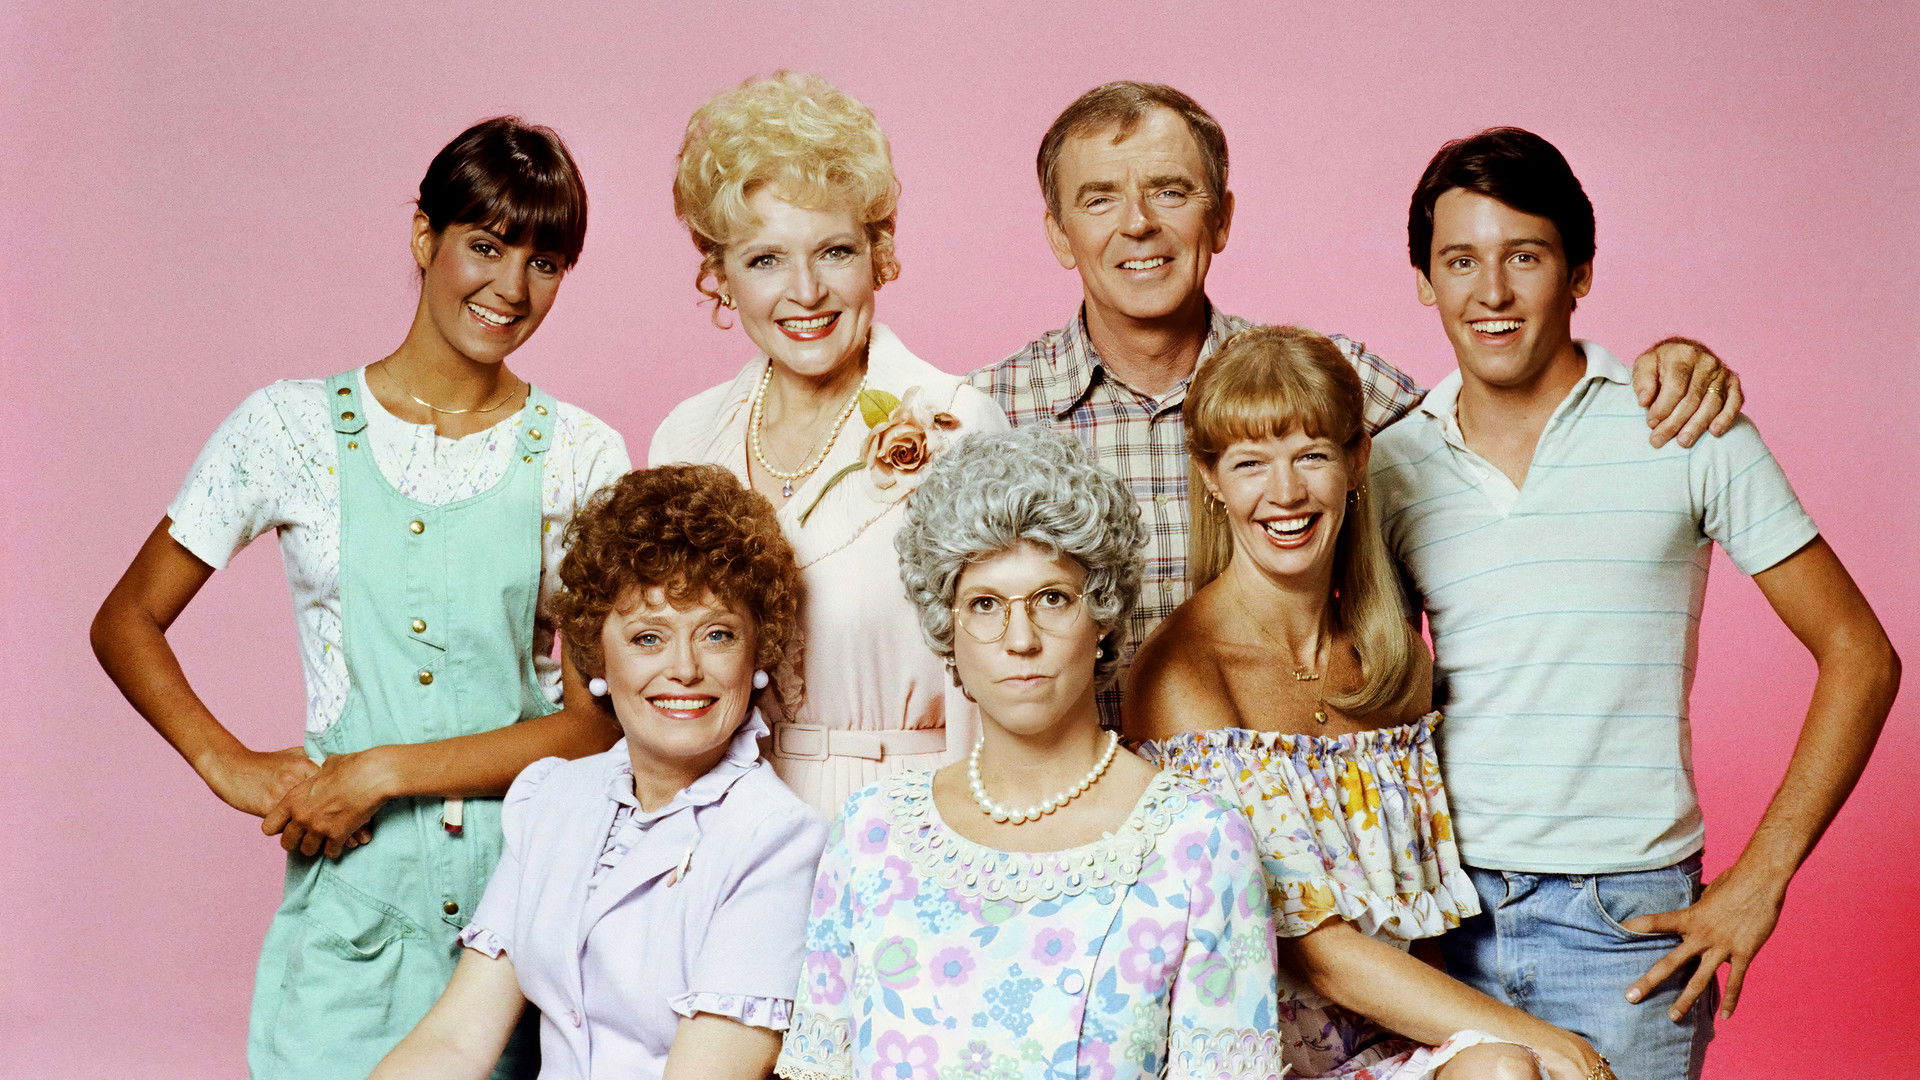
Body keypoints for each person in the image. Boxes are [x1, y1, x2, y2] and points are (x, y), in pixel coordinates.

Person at [89, 118, 629, 1079]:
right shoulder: (289, 428)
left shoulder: (583, 454)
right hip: (350, 906)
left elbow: (593, 727)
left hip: (520, 911)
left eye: (544, 262)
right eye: (486, 245)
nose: (511, 288)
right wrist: (228, 765)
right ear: (424, 236)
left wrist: (378, 772)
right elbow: (126, 619)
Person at [1371, 127, 1901, 1080]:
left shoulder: (1685, 425)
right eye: (1460, 261)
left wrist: (1763, 877)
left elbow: (1860, 654)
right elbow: (1364, 688)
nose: (1491, 293)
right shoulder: (1390, 465)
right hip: (1440, 921)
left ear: (1579, 272)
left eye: (1524, 257)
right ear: (1424, 281)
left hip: (1626, 927)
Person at [968, 81, 1745, 724]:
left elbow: (1510, 443)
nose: (1138, 223)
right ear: (1059, 234)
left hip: (1318, 826)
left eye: (1171, 191)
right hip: (1069, 836)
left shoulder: (1342, 388)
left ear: (1222, 218)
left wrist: (1663, 370)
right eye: (1100, 199)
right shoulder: (986, 417)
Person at [1130, 325, 1605, 1080]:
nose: (1286, 493)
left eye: (1311, 455)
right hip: (1248, 1058)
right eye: (1250, 463)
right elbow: (1314, 950)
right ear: (1211, 478)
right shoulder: (1182, 673)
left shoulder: (1390, 662)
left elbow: (1423, 925)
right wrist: (1551, 1040)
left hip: (1389, 1047)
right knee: (1524, 1062)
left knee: (1503, 1071)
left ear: (1357, 461)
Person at [777, 428, 1287, 1080]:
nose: (1020, 639)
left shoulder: (1199, 843)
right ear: (947, 628)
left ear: (1102, 616)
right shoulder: (872, 833)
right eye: (985, 604)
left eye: (1051, 598)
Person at [371, 465, 828, 1080]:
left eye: (717, 634)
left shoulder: (778, 839)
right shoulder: (550, 797)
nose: (684, 669)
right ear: (598, 655)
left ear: (757, 654)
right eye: (648, 638)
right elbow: (455, 1041)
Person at [651, 71, 1011, 816]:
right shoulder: (686, 437)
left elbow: (1008, 682)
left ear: (879, 255)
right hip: (729, 829)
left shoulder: (959, 425)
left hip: (914, 817)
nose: (807, 291)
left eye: (835, 252)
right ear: (720, 277)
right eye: (765, 260)